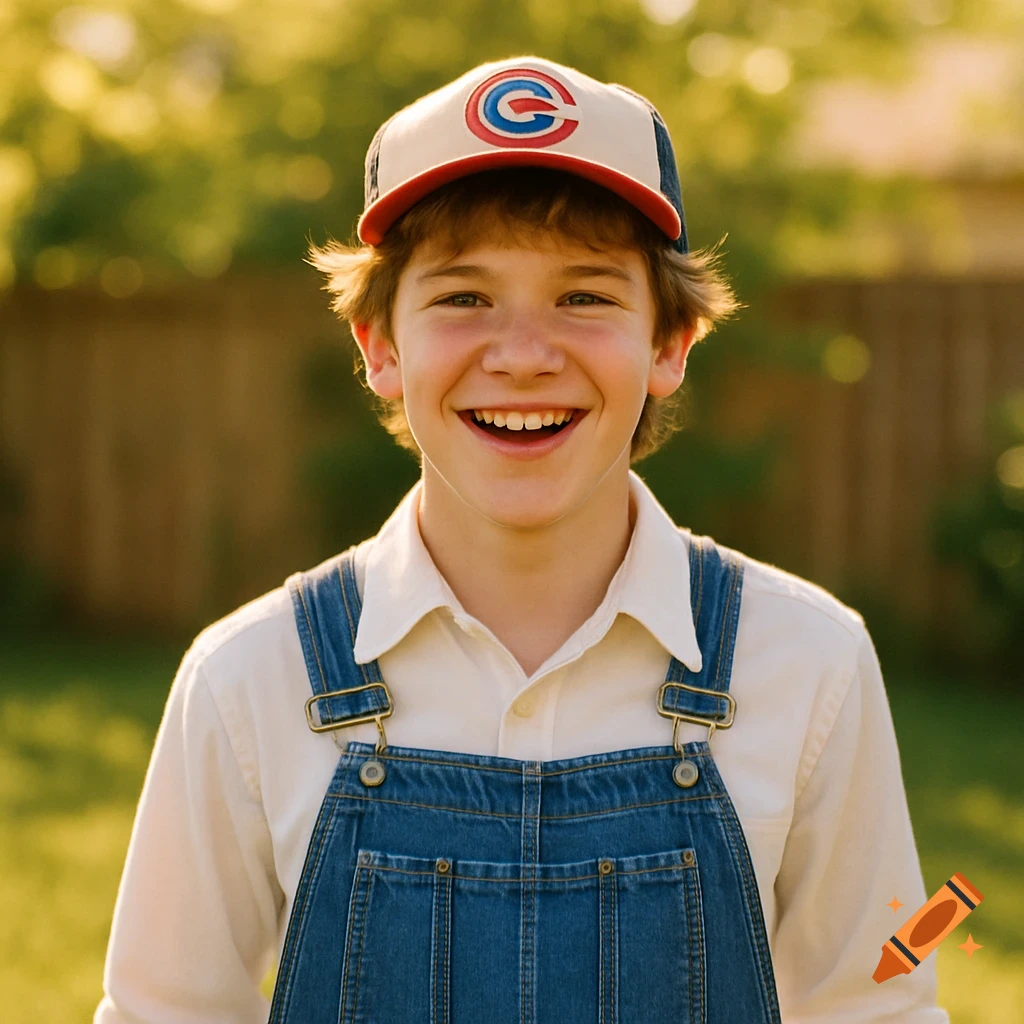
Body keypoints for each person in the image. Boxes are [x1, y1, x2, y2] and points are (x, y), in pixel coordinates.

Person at [96, 56, 948, 1023]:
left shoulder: (809, 665)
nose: (524, 355)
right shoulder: (249, 680)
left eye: (585, 298)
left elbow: (876, 1003)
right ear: (380, 347)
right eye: (463, 298)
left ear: (670, 344)